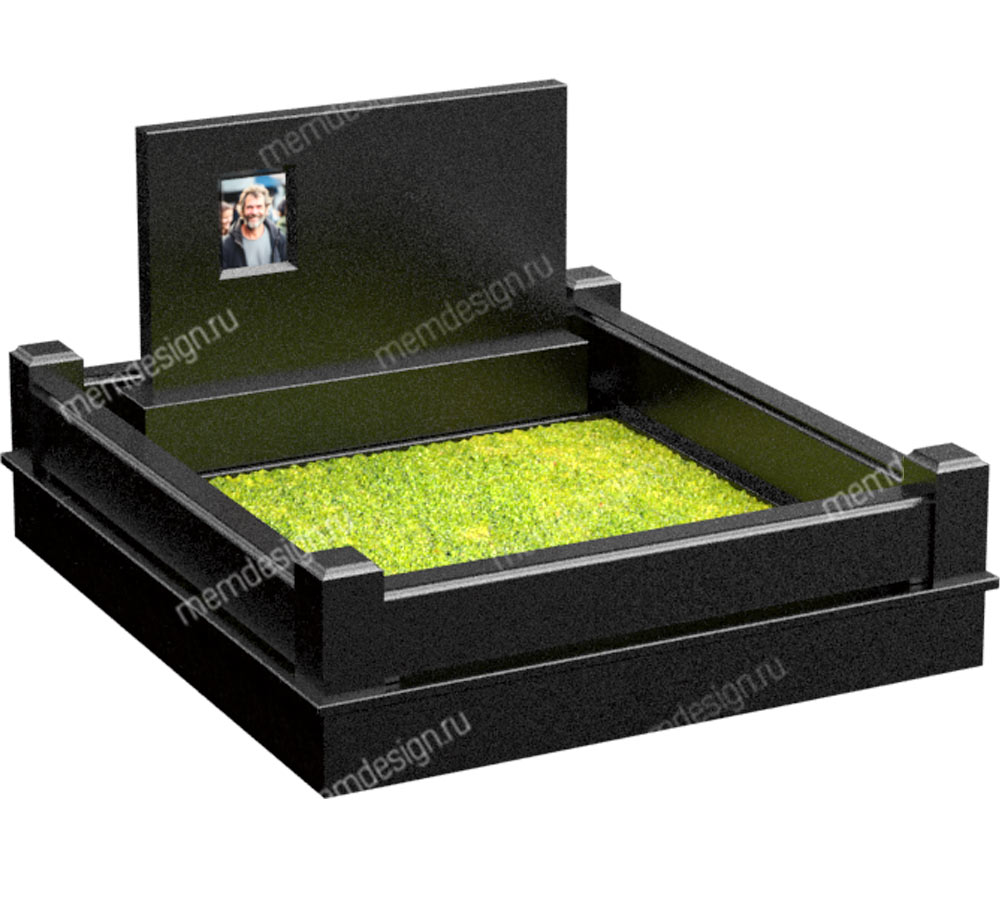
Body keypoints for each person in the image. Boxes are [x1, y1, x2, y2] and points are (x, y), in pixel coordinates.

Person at [221, 184, 288, 268]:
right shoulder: (227, 244)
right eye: (249, 207)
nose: (254, 212)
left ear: (266, 209)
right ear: (242, 210)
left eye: (259, 207)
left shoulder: (279, 238)